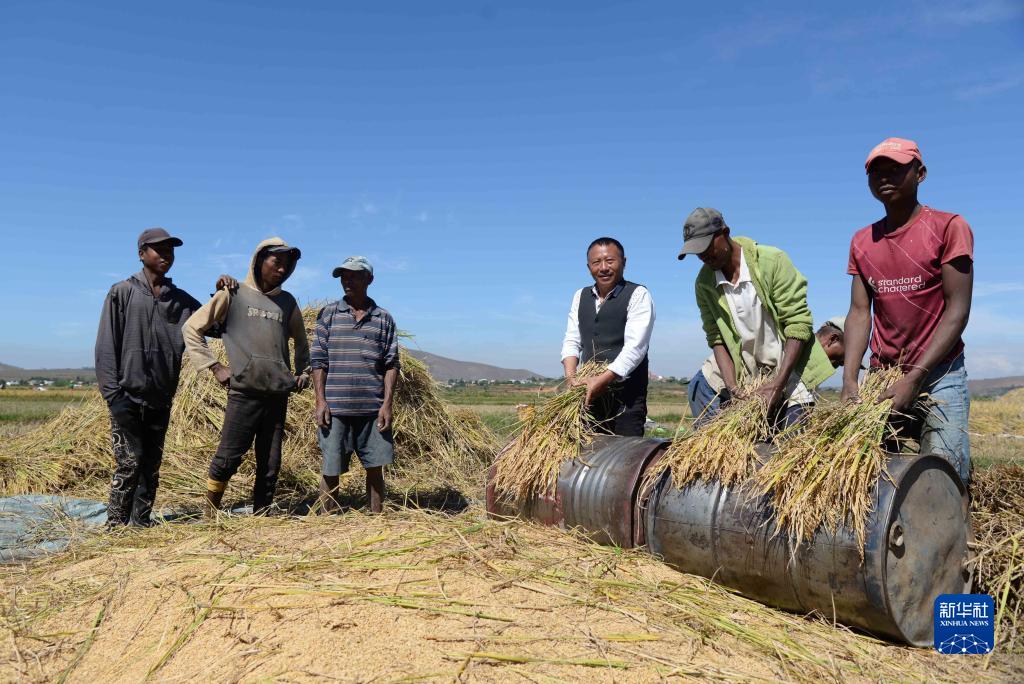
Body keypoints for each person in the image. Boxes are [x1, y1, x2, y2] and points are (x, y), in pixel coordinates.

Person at [842, 137, 974, 484]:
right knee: (874, 475)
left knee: (945, 475)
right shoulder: (862, 241)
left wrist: (914, 378)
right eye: (876, 172)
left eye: (896, 169)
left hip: (939, 373)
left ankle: (957, 535)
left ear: (921, 173)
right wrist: (849, 379)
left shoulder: (949, 227)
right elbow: (859, 313)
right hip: (884, 375)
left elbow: (957, 311)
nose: (885, 177)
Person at [95, 227, 236, 527]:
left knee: (151, 465)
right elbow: (106, 348)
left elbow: (216, 327)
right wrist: (113, 397)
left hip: (160, 396)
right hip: (126, 396)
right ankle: (115, 525)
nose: (166, 254)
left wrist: (222, 294)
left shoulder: (181, 301)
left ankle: (141, 522)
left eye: (170, 249)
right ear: (141, 253)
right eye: (159, 249)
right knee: (129, 462)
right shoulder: (122, 293)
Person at [184, 237, 310, 515]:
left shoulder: (287, 303)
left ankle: (262, 514)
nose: (281, 269)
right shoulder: (233, 293)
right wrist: (215, 367)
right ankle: (209, 513)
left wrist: (303, 372)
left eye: (286, 265)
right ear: (258, 260)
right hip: (244, 392)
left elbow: (301, 342)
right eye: (276, 262)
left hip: (277, 395)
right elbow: (192, 328)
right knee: (228, 457)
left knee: (270, 462)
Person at [677, 207, 833, 431]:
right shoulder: (704, 283)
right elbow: (717, 338)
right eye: (697, 253)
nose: (703, 256)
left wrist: (778, 384)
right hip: (743, 372)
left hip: (787, 369)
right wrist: (732, 386)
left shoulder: (771, 262)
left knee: (788, 447)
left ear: (725, 232)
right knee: (717, 434)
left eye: (706, 247)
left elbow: (798, 325)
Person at [311, 256, 399, 514]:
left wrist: (386, 405)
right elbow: (318, 360)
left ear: (369, 279)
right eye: (343, 276)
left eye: (353, 275)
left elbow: (391, 364)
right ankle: (328, 520)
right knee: (331, 467)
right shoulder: (328, 314)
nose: (346, 281)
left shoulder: (383, 319)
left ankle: (376, 518)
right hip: (335, 409)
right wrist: (320, 401)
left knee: (375, 467)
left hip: (372, 410)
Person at [561, 237, 655, 437]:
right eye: (596, 262)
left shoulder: (638, 295)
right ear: (589, 267)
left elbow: (635, 348)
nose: (603, 267)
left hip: (626, 399)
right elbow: (572, 340)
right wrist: (571, 378)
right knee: (588, 456)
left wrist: (603, 379)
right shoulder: (580, 296)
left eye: (610, 261)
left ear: (624, 262)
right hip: (588, 396)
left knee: (625, 459)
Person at [688, 317, 847, 424]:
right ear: (832, 339)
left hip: (739, 398)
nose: (840, 364)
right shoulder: (799, 351)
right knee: (715, 455)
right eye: (842, 358)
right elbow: (796, 413)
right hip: (714, 388)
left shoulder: (813, 363)